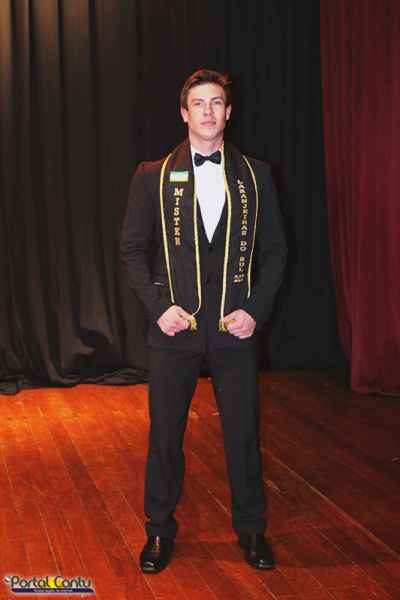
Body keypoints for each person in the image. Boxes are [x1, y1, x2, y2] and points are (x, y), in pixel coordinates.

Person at [120, 68, 287, 574]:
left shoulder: (256, 175)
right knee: (164, 437)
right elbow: (131, 250)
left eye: (216, 102)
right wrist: (158, 308)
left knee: (243, 435)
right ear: (184, 113)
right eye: (199, 103)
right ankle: (158, 530)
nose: (208, 111)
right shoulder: (151, 175)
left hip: (234, 330)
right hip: (175, 330)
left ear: (228, 112)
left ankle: (252, 530)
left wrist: (254, 312)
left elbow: (276, 252)